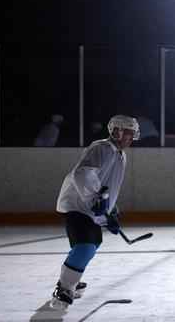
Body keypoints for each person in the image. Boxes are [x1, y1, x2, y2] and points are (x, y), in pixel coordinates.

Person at [50, 115, 140, 309]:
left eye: (133, 134)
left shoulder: (120, 155)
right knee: (86, 245)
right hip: (77, 204)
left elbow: (108, 185)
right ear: (116, 131)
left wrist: (111, 210)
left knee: (91, 243)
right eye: (128, 133)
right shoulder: (102, 148)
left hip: (88, 207)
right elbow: (82, 174)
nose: (131, 138)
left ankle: (71, 280)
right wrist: (96, 200)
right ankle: (63, 290)